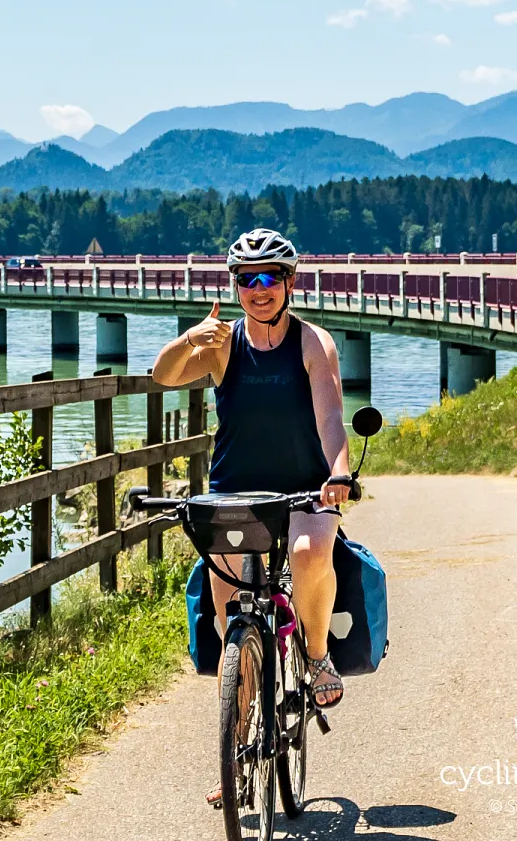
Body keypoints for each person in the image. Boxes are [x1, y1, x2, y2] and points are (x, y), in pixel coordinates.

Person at [151, 227, 352, 732]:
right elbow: (163, 375)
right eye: (246, 279)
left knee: (308, 553)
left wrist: (339, 471)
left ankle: (316, 652)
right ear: (235, 285)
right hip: (233, 491)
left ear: (289, 282)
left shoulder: (312, 342)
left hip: (305, 487)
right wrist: (188, 340)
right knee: (230, 624)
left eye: (269, 277)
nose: (258, 288)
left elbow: (330, 417)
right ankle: (235, 750)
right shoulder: (222, 344)